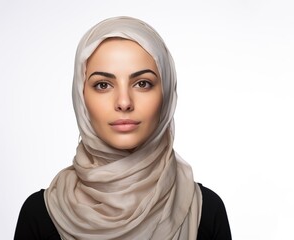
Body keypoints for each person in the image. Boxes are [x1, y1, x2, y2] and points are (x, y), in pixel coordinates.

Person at [14, 16, 232, 240]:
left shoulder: (206, 213)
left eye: (142, 83)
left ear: (165, 92)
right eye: (103, 85)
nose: (124, 102)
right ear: (81, 97)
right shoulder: (40, 216)